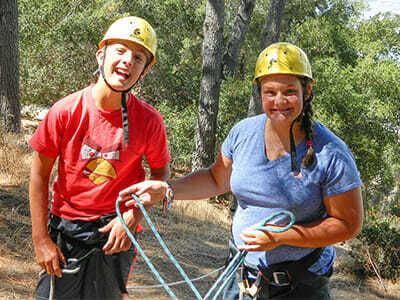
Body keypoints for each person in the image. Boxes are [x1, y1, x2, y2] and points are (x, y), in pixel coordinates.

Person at [119, 42, 364, 300]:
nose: (279, 101)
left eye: (289, 91)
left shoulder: (332, 153)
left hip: (297, 286)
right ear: (260, 93)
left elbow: (347, 224)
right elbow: (216, 179)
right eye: (270, 92)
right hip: (240, 277)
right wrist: (167, 189)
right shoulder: (243, 133)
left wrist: (281, 237)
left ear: (307, 90)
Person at [29, 16, 170, 300]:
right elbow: (39, 175)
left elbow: (160, 176)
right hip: (66, 230)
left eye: (139, 57)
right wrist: (41, 240)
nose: (128, 60)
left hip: (116, 232)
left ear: (144, 69)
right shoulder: (66, 111)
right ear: (101, 54)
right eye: (120, 50)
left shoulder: (149, 121)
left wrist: (132, 216)